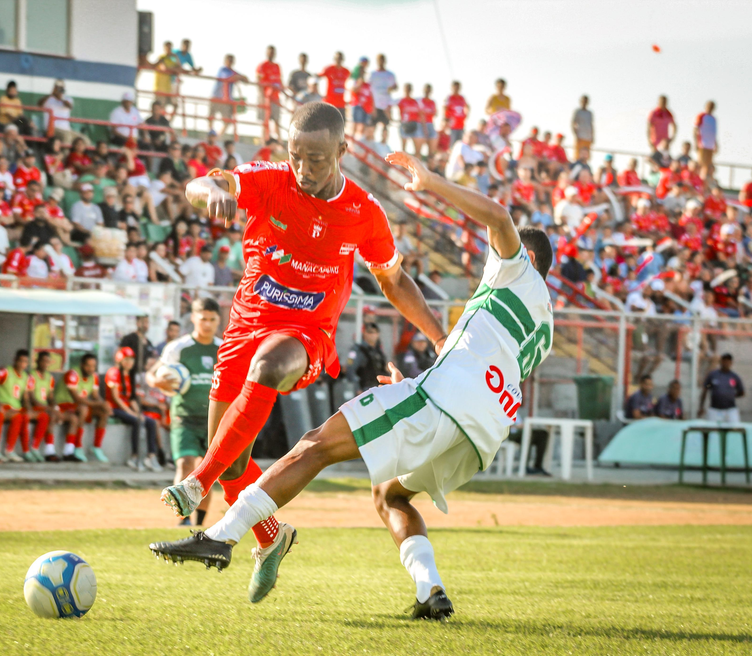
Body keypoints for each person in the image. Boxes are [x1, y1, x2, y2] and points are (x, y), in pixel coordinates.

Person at [149, 149, 555, 619]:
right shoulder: (544, 319)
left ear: (524, 257)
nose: (492, 252)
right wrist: (427, 384)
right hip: (488, 427)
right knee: (390, 494)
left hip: (449, 397)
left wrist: (430, 181)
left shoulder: (513, 268)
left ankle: (221, 536)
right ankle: (431, 592)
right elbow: (487, 362)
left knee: (316, 445)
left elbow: (500, 217)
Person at [158, 103, 447, 599]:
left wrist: (440, 338)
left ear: (342, 151)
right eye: (296, 156)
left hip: (305, 337)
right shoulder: (271, 180)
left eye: (315, 158)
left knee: (269, 367)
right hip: (243, 331)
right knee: (233, 460)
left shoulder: (364, 212)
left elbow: (394, 281)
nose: (303, 169)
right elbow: (206, 185)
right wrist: (207, 190)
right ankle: (273, 537)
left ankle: (195, 484)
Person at [147, 298, 222, 527]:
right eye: (203, 319)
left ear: (218, 320)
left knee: (206, 472)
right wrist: (158, 382)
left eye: (212, 320)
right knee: (185, 464)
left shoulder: (223, 348)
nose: (207, 324)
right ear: (193, 318)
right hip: (184, 417)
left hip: (213, 420)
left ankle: (199, 524)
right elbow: (152, 375)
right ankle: (183, 519)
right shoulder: (178, 348)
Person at [105, 346, 161, 472]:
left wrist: (138, 412)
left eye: (132, 360)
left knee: (150, 422)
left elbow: (132, 399)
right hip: (115, 408)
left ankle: (151, 456)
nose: (130, 362)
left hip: (126, 408)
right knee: (137, 421)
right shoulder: (114, 373)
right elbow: (116, 397)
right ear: (120, 360)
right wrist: (131, 413)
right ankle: (134, 457)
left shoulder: (130, 375)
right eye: (127, 359)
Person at [53, 353, 110, 462]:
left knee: (103, 412)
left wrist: (104, 405)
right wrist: (99, 404)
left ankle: (96, 446)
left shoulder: (94, 376)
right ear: (81, 365)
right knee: (83, 409)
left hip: (79, 406)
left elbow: (95, 396)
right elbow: (76, 399)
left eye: (93, 366)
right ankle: (77, 446)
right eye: (88, 366)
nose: (91, 369)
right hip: (64, 404)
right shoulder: (73, 374)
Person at [0, 349, 43, 462]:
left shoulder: (26, 376)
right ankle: (0, 450)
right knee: (18, 417)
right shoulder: (5, 371)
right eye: (20, 361)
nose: (22, 364)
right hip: (4, 406)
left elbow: (25, 396)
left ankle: (26, 450)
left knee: (31, 416)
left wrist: (28, 408)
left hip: (16, 408)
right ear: (15, 360)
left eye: (25, 362)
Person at [27, 351, 68, 462]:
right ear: (37, 361)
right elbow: (31, 399)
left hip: (45, 408)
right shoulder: (31, 376)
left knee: (56, 414)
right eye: (43, 361)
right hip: (34, 407)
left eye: (47, 362)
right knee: (50, 414)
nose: (45, 364)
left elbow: (50, 397)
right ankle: (47, 450)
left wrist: (55, 407)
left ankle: (52, 450)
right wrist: (50, 409)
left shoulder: (49, 378)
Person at [699, 354, 744, 423]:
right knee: (712, 431)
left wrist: (731, 395)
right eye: (724, 361)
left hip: (730, 409)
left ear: (731, 363)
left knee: (735, 429)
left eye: (728, 362)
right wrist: (701, 407)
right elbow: (706, 388)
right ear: (721, 362)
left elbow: (741, 391)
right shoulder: (713, 375)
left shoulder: (734, 377)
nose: (726, 363)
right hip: (715, 409)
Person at [209, 54, 247, 136]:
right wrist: (239, 77)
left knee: (228, 120)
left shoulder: (233, 72)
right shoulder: (222, 70)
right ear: (225, 61)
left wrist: (240, 77)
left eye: (231, 60)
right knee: (211, 117)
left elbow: (245, 80)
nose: (230, 62)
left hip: (226, 100)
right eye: (229, 60)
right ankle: (211, 134)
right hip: (216, 97)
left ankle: (217, 136)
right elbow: (229, 78)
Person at [347, 322, 389, 393]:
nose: (373, 335)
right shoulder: (358, 350)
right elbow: (351, 370)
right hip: (365, 389)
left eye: (375, 332)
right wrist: (357, 389)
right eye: (370, 332)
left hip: (379, 388)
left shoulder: (379, 351)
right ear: (364, 333)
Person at [256, 45, 283, 141]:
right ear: (267, 53)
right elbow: (258, 81)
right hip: (265, 97)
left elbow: (280, 81)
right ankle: (263, 141)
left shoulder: (277, 66)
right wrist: (262, 96)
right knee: (265, 121)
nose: (271, 54)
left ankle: (280, 142)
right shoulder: (262, 66)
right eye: (270, 52)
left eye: (273, 52)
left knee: (276, 120)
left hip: (275, 97)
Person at [368, 54, 397, 143]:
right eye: (379, 60)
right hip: (375, 104)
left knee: (385, 126)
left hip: (386, 105)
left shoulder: (390, 74)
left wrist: (391, 88)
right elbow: (369, 89)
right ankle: (371, 145)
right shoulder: (373, 74)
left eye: (382, 60)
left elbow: (395, 86)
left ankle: (383, 144)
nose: (381, 62)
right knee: (372, 126)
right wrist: (372, 107)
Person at [397, 83, 425, 156]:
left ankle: (416, 166)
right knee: (404, 149)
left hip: (415, 124)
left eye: (409, 89)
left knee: (418, 149)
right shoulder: (401, 101)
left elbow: (421, 114)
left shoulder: (415, 101)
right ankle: (402, 166)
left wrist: (424, 128)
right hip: (405, 124)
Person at [694, 101, 717, 180]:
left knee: (708, 165)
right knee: (701, 163)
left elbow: (713, 133)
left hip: (710, 146)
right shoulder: (701, 116)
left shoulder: (713, 119)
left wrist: (716, 144)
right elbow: (695, 129)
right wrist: (696, 142)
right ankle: (697, 179)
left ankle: (704, 180)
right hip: (702, 144)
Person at [443, 81, 469, 145]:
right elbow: (444, 108)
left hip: (461, 125)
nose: (456, 89)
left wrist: (466, 115)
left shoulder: (462, 98)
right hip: (452, 126)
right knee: (452, 144)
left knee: (460, 144)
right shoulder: (449, 97)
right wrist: (446, 120)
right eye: (455, 87)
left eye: (458, 87)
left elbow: (467, 106)